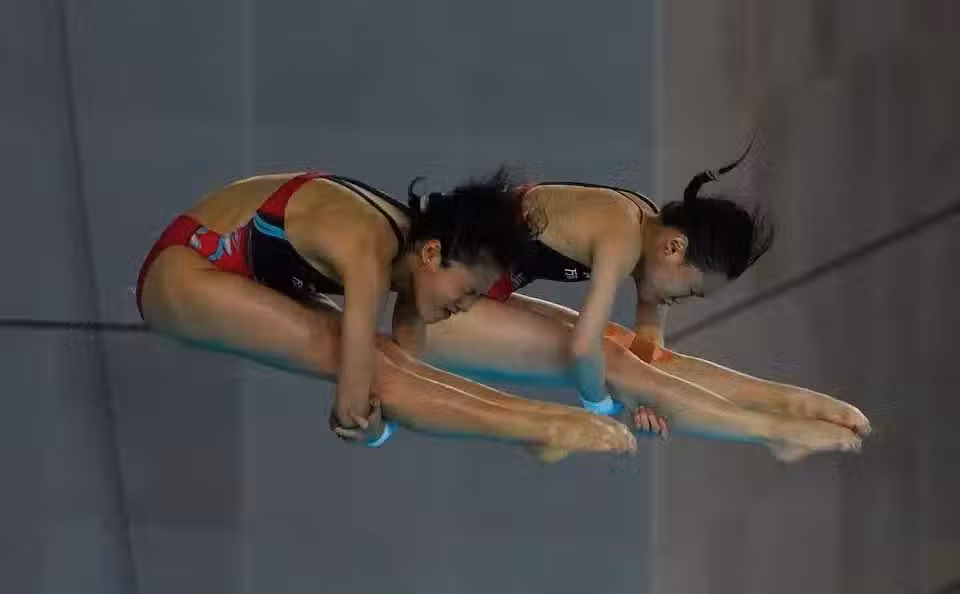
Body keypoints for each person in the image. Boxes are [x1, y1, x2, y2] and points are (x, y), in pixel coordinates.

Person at [394, 150, 868, 462]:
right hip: (432, 308)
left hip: (472, 295)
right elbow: (584, 350)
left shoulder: (646, 225)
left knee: (626, 357)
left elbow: (648, 347)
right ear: (674, 248)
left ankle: (783, 402)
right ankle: (770, 430)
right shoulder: (620, 233)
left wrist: (651, 392)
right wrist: (602, 406)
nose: (681, 302)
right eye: (689, 292)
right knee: (609, 358)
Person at [136, 169, 636, 458]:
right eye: (467, 292)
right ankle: (538, 428)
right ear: (432, 253)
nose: (466, 307)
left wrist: (374, 427)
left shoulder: (405, 251)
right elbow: (357, 401)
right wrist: (370, 425)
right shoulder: (368, 250)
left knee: (379, 358)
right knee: (363, 359)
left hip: (252, 272)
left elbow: (390, 385)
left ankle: (538, 426)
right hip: (188, 267)